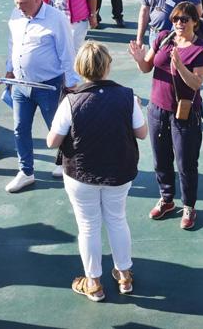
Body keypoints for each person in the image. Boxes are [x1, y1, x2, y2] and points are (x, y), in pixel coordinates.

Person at [47, 42, 148, 302]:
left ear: (80, 68)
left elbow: (52, 142)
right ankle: (124, 275)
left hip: (81, 174)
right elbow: (142, 133)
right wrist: (133, 107)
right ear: (107, 66)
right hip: (119, 170)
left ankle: (93, 283)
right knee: (117, 219)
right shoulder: (127, 96)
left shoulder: (71, 101)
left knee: (88, 226)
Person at [128, 1, 203, 230]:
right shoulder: (164, 37)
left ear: (194, 21)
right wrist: (138, 58)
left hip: (184, 114)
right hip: (158, 109)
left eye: (184, 19)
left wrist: (180, 66)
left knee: (186, 162)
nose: (179, 23)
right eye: (175, 19)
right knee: (160, 159)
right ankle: (166, 199)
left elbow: (196, 83)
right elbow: (146, 67)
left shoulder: (200, 49)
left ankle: (189, 206)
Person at [5, 0, 75, 193]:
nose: (19, 7)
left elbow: (67, 52)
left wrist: (71, 84)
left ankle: (65, 166)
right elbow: (12, 44)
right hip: (20, 84)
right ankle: (26, 172)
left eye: (24, 3)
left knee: (59, 128)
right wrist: (9, 70)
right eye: (17, 2)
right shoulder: (16, 15)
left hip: (48, 86)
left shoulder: (56, 18)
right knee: (20, 128)